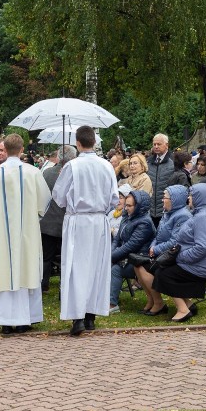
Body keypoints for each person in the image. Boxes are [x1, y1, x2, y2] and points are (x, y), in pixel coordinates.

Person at [0, 134, 51, 334]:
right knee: (26, 267)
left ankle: (4, 320)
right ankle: (25, 319)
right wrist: (32, 218)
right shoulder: (33, 173)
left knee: (4, 269)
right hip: (27, 231)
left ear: (6, 149)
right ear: (21, 150)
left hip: (2, 233)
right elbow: (44, 203)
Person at [52, 125, 119, 336]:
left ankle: (78, 317)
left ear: (78, 143)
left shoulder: (72, 166)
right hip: (99, 221)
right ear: (95, 142)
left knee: (76, 267)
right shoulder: (107, 166)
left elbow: (59, 197)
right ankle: (91, 315)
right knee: (96, 267)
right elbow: (114, 198)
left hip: (78, 220)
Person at [151, 183, 206, 322]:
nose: (189, 198)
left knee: (163, 274)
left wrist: (180, 257)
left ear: (198, 198)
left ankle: (183, 310)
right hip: (197, 261)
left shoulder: (203, 217)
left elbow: (203, 247)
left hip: (202, 264)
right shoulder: (201, 213)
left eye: (191, 195)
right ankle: (188, 304)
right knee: (161, 269)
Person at [134, 185, 192, 315]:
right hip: (162, 252)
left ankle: (159, 303)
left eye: (165, 197)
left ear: (175, 199)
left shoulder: (182, 216)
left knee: (143, 266)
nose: (162, 200)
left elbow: (176, 241)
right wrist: (153, 246)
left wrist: (156, 249)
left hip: (174, 256)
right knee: (137, 265)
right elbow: (158, 234)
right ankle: (152, 300)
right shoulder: (168, 213)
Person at [108, 190, 155, 313]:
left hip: (141, 260)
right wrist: (111, 254)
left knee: (115, 269)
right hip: (128, 257)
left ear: (139, 206)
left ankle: (112, 304)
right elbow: (117, 239)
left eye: (129, 206)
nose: (126, 208)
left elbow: (130, 246)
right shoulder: (127, 217)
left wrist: (110, 258)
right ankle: (103, 299)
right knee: (109, 265)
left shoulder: (144, 222)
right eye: (126, 205)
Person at [39, 145, 77, 292]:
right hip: (64, 222)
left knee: (46, 257)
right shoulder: (73, 174)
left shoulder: (46, 173)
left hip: (48, 222)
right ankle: (64, 286)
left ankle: (44, 284)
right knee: (66, 258)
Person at [149, 133, 175, 227]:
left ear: (166, 145)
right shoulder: (149, 162)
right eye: (154, 144)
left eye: (159, 144)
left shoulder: (173, 162)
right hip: (150, 210)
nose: (156, 146)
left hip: (166, 210)